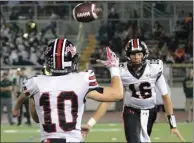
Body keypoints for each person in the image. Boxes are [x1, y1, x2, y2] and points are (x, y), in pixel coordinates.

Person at [13, 38, 123, 143]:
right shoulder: (82, 80)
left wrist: (27, 102)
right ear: (72, 60)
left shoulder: (35, 83)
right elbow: (117, 94)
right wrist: (114, 68)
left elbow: (36, 118)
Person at [81, 38, 185, 142]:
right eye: (133, 54)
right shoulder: (122, 71)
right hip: (131, 110)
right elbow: (110, 99)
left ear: (144, 54)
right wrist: (90, 123)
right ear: (128, 55)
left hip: (150, 111)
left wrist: (173, 125)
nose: (136, 57)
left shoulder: (154, 68)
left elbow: (165, 97)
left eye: (139, 54)